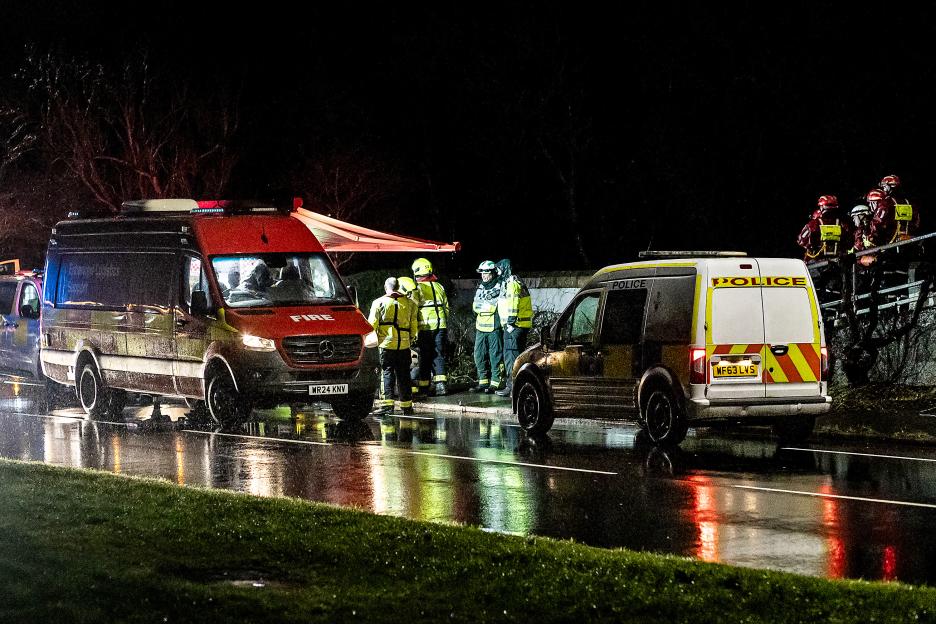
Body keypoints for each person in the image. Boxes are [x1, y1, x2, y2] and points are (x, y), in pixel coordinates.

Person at [367, 277, 419, 416]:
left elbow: (372, 325)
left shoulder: (378, 303)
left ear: (386, 287)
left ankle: (387, 406)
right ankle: (407, 406)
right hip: (404, 345)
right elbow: (414, 325)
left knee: (387, 373)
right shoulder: (410, 303)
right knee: (404, 375)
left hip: (386, 344)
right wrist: (410, 338)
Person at [411, 257, 450, 397]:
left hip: (425, 328)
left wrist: (413, 330)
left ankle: (424, 387)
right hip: (441, 326)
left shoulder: (418, 288)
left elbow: (413, 309)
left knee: (425, 357)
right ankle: (441, 386)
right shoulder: (439, 286)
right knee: (439, 354)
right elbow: (446, 307)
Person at [494, 259, 533, 397]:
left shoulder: (511, 283)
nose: (497, 272)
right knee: (518, 356)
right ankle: (517, 387)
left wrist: (510, 323)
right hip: (520, 325)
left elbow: (512, 303)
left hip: (514, 326)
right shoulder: (517, 281)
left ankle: (512, 388)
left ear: (505, 269)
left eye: (499, 269)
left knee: (511, 357)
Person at [471, 260, 503, 393]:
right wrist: (482, 308)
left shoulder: (500, 287)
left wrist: (482, 308)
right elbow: (475, 306)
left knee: (495, 356)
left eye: (487, 273)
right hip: (481, 327)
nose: (484, 275)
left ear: (493, 273)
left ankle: (496, 382)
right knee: (479, 355)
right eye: (482, 273)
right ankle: (483, 382)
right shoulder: (480, 287)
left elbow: (492, 307)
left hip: (494, 327)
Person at [796, 195, 850, 262]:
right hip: (836, 261)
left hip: (816, 262)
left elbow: (801, 240)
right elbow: (848, 242)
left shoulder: (814, 224)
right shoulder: (842, 224)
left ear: (822, 207)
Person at [878, 174, 920, 242]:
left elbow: (880, 221)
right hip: (908, 238)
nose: (883, 188)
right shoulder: (908, 202)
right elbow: (916, 221)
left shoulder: (887, 202)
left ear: (891, 186)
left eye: (884, 186)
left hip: (891, 242)